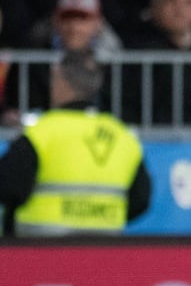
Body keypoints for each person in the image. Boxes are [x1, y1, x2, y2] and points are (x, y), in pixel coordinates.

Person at [0, 50, 151, 237]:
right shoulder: (123, 136)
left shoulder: (42, 131)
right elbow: (141, 199)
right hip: (104, 248)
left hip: (39, 248)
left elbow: (8, 186)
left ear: (61, 83)